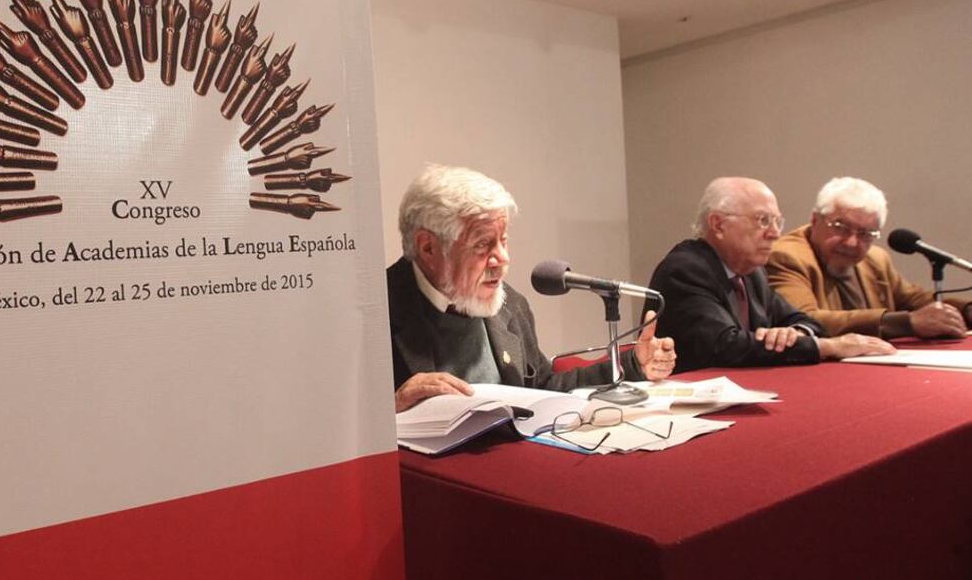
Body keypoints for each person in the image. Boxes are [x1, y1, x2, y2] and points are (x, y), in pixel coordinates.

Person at [389, 165, 677, 413]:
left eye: (504, 240)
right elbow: (345, 431)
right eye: (482, 244)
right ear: (428, 247)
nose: (503, 258)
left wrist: (632, 364)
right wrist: (394, 405)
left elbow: (543, 388)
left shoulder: (510, 304)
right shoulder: (373, 313)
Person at [645, 177, 894, 373]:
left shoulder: (751, 271)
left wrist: (795, 333)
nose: (775, 233)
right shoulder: (686, 269)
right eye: (763, 221)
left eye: (777, 222)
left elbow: (806, 321)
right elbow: (725, 346)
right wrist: (827, 347)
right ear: (718, 224)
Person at [766, 177, 971, 339]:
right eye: (841, 228)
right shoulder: (786, 256)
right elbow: (804, 320)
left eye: (865, 234)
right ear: (815, 220)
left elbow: (913, 300)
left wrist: (965, 311)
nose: (852, 242)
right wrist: (908, 323)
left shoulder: (875, 258)